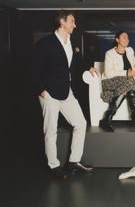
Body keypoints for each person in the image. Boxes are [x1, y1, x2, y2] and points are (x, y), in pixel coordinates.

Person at [32, 10, 98, 178]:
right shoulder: (45, 43)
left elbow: (76, 60)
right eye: (72, 21)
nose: (75, 25)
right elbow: (34, 69)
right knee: (51, 130)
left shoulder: (71, 41)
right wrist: (41, 91)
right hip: (49, 94)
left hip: (66, 92)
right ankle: (53, 166)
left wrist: (88, 66)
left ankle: (73, 161)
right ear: (62, 22)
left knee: (81, 123)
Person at [99, 30, 135, 132]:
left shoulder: (129, 50)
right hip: (109, 82)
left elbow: (134, 60)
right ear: (117, 40)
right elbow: (108, 73)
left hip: (123, 84)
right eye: (124, 37)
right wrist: (126, 73)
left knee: (127, 87)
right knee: (129, 80)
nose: (127, 39)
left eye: (128, 37)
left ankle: (107, 119)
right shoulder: (110, 53)